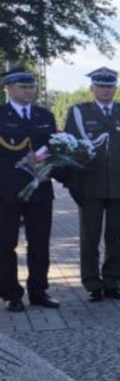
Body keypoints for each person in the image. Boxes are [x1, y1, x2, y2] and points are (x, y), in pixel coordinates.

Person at [63, 67, 120, 302]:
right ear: (92, 88)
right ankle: (92, 283)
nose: (105, 90)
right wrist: (73, 185)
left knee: (116, 238)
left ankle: (112, 282)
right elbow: (69, 151)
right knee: (90, 238)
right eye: (101, 86)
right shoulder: (78, 113)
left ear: (115, 88)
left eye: (109, 86)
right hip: (89, 187)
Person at [0, 67, 62, 311]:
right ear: (9, 88)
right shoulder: (1, 115)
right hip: (7, 191)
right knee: (5, 244)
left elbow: (53, 150)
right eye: (23, 87)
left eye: (32, 86)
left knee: (39, 243)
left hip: (40, 189)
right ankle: (11, 294)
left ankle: (39, 291)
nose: (29, 91)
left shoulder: (44, 116)